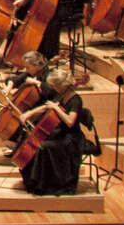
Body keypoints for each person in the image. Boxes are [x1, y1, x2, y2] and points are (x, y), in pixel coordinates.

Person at [17, 67, 92, 195]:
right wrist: (29, 113)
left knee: (43, 147)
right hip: (59, 134)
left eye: (55, 85)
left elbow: (70, 121)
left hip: (70, 139)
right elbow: (47, 106)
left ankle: (47, 185)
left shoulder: (75, 100)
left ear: (62, 86)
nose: (53, 88)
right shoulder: (62, 94)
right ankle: (32, 181)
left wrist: (55, 109)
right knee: (33, 141)